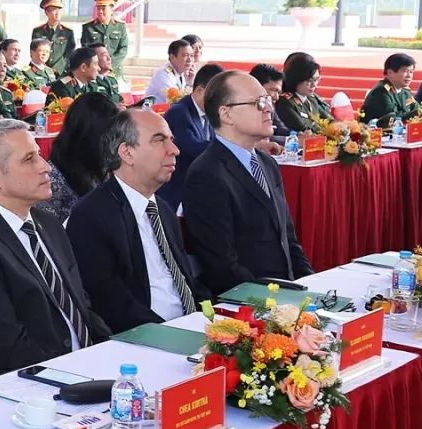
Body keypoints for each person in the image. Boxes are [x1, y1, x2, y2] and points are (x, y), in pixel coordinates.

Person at [0, 119, 110, 379]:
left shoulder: (48, 224)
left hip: (87, 366)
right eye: (29, 159)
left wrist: (111, 352)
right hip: (38, 385)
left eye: (40, 155)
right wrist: (79, 375)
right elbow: (4, 347)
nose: (46, 167)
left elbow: (82, 308)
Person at [67, 109, 208, 333]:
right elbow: (109, 301)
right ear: (127, 153)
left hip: (190, 327)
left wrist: (212, 317)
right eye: (159, 140)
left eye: (171, 140)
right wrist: (172, 333)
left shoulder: (162, 209)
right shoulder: (92, 215)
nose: (174, 150)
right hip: (145, 338)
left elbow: (186, 282)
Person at [182, 71, 313, 295]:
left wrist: (310, 286)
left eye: (268, 101)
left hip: (287, 295)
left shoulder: (266, 163)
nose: (269, 109)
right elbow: (222, 266)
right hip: (250, 303)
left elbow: (288, 240)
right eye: (259, 103)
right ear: (226, 114)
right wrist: (276, 298)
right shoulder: (207, 174)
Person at [43, 92, 121, 222]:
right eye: (110, 136)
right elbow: (48, 235)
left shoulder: (106, 166)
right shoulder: (52, 180)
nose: (115, 143)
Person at [159, 63, 224, 209]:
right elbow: (194, 148)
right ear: (201, 90)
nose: (221, 102)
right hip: (177, 193)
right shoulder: (179, 113)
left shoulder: (210, 114)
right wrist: (233, 143)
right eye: (217, 96)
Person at [273, 53, 331, 134]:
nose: (314, 85)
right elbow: (304, 130)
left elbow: (330, 121)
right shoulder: (286, 102)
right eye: (309, 80)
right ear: (296, 79)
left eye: (317, 80)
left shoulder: (311, 99)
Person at [360, 53, 417, 126]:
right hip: (376, 134)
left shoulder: (405, 91)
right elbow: (393, 119)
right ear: (390, 72)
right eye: (405, 71)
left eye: (411, 72)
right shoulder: (381, 92)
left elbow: (416, 109)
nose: (409, 76)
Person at [80, 0, 128, 76]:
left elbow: (123, 49)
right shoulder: (88, 27)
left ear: (111, 9)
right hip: (95, 71)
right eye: (98, 8)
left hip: (114, 71)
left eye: (103, 8)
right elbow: (85, 50)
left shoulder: (120, 27)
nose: (100, 11)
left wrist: (109, 66)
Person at [31, 0, 75, 75]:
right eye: (54, 10)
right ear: (47, 13)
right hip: (41, 72)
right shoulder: (38, 31)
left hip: (61, 73)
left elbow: (69, 55)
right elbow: (34, 52)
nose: (57, 13)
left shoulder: (67, 32)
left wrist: (58, 69)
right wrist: (45, 68)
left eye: (59, 10)